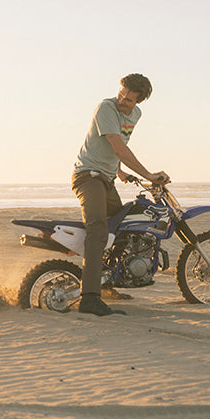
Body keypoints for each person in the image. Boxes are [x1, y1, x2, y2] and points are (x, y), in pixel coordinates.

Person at [72, 74, 170, 316]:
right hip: (88, 176)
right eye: (121, 94)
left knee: (123, 226)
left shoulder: (135, 115)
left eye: (129, 99)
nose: (122, 100)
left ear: (139, 101)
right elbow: (117, 145)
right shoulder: (106, 107)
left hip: (107, 178)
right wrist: (147, 174)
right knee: (98, 230)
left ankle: (107, 284)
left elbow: (114, 145)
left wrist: (120, 172)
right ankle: (89, 298)